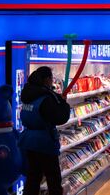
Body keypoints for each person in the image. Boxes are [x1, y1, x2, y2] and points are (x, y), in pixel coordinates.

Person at [19, 66, 71, 195]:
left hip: (28, 140)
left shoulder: (27, 95)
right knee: (53, 178)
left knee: (33, 177)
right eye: (51, 79)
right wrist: (64, 104)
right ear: (47, 79)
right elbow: (60, 118)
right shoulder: (46, 98)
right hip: (45, 142)